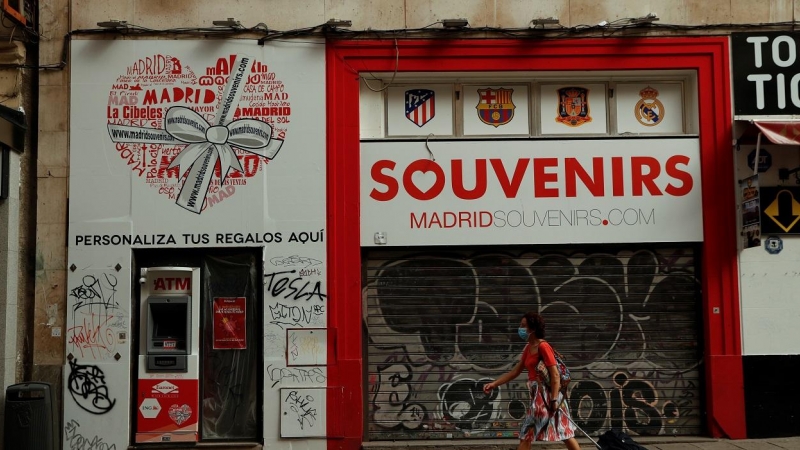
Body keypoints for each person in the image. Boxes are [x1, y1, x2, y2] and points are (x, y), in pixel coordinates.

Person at [483, 311, 581, 450]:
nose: (520, 328)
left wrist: (553, 400)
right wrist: (494, 384)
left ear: (533, 329)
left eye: (523, 325)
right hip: (539, 395)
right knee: (564, 432)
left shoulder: (543, 346)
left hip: (546, 397)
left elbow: (555, 375)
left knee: (527, 432)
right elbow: (515, 371)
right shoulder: (528, 348)